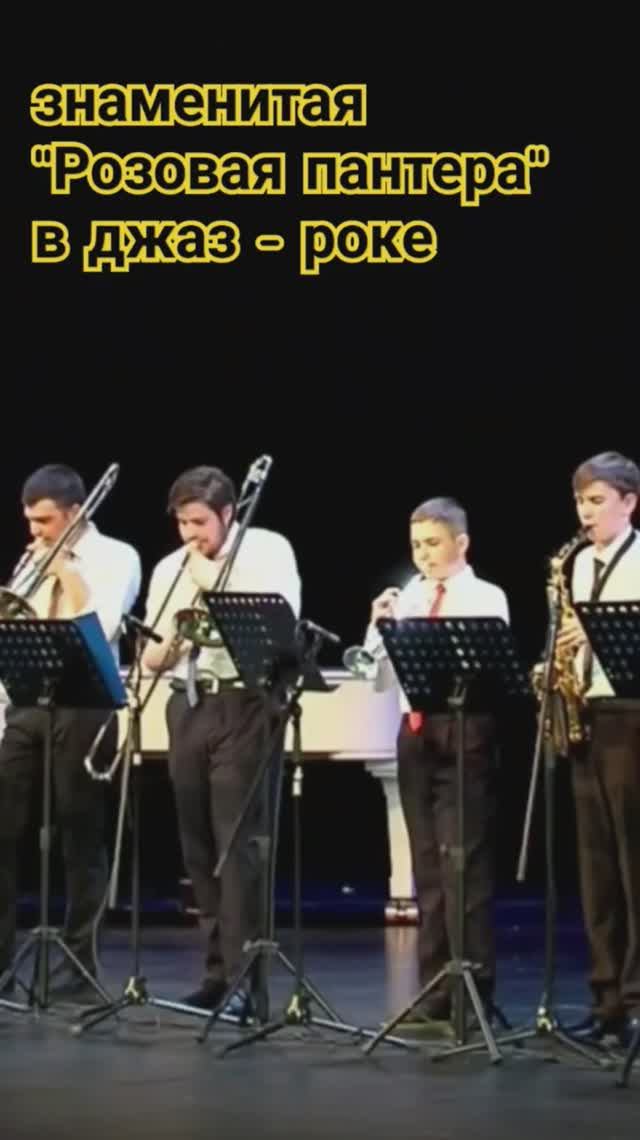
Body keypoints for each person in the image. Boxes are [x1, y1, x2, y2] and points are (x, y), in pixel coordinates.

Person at [141, 465, 301, 1010]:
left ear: (228, 514)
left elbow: (278, 628)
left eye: (200, 523)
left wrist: (207, 577)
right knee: (199, 847)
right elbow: (154, 655)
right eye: (182, 523)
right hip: (189, 703)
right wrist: (168, 644)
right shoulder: (171, 568)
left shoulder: (267, 550)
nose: (190, 534)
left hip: (246, 701)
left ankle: (245, 980)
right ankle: (216, 974)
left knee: (239, 847)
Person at [363, 496, 509, 1031]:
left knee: (463, 862)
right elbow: (378, 679)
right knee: (426, 863)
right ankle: (435, 990)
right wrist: (379, 628)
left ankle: (473, 989)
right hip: (416, 730)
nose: (423, 555)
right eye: (416, 545)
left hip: (463, 728)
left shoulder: (485, 596)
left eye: (433, 543)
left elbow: (486, 671)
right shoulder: (407, 597)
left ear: (461, 543)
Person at [0, 464, 141, 998]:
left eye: (44, 521)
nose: (34, 531)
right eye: (29, 521)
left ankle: (78, 966)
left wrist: (64, 570)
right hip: (28, 702)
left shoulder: (116, 556)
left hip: (87, 704)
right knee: (4, 826)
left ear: (75, 512)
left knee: (80, 834)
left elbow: (99, 626)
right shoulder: (30, 559)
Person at [556, 450, 640, 1048]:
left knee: (635, 866)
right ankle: (606, 998)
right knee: (597, 870)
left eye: (597, 501)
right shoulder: (579, 563)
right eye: (580, 501)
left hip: (633, 718)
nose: (585, 513)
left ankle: (637, 1001)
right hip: (588, 717)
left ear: (629, 503)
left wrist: (597, 630)